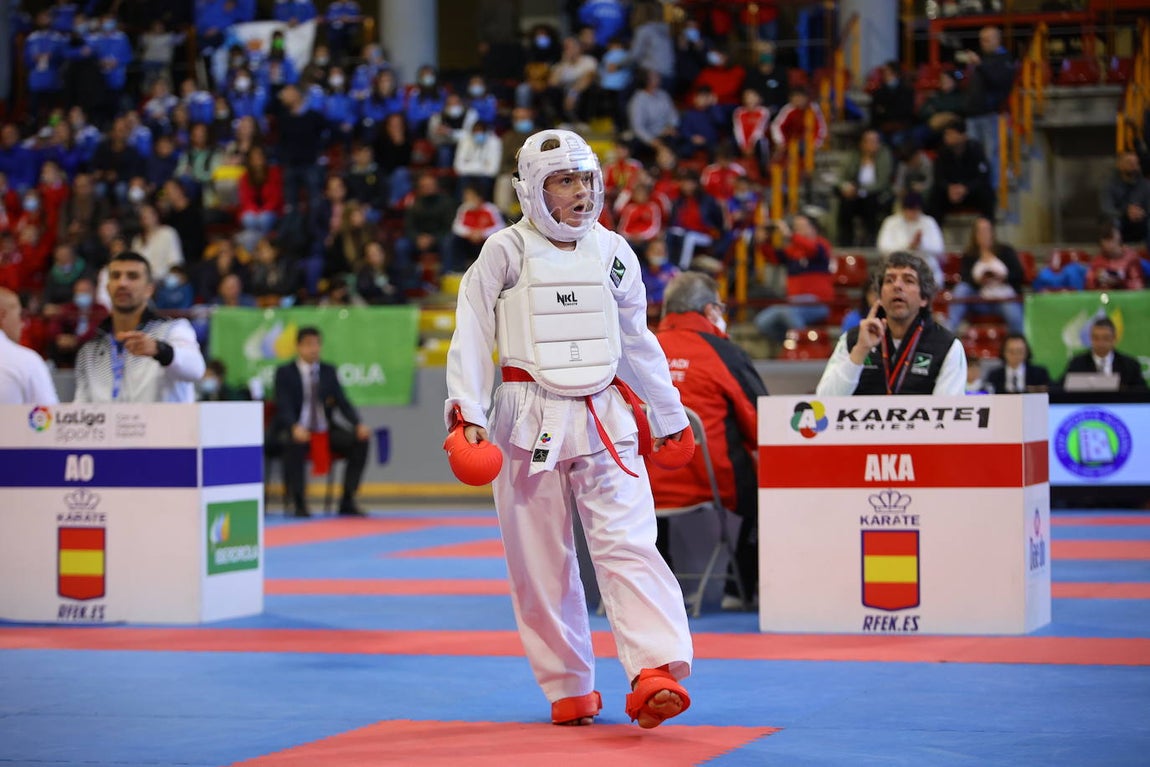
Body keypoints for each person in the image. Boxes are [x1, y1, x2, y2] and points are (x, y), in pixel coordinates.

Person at [443, 128, 694, 729]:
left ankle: (655, 670)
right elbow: (472, 333)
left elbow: (638, 340)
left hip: (604, 411)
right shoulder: (503, 252)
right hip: (524, 413)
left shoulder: (614, 252)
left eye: (586, 179)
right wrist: (466, 415)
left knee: (630, 542)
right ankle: (568, 685)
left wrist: (668, 413)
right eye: (564, 181)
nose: (580, 193)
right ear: (532, 190)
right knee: (538, 562)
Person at [651, 272, 767, 610]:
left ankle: (659, 582)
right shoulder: (723, 352)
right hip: (708, 483)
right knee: (763, 489)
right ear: (709, 309)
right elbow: (761, 425)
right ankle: (738, 585)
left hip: (638, 486)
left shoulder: (637, 348)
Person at [816, 251, 966, 396]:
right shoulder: (852, 340)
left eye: (908, 280)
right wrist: (861, 350)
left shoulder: (947, 346)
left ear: (924, 299)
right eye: (889, 280)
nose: (897, 286)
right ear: (879, 295)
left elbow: (948, 414)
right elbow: (825, 402)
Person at [73, 252, 206, 403]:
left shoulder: (173, 329)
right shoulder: (90, 350)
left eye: (132, 276)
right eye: (116, 276)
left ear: (149, 289)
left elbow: (196, 370)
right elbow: (81, 408)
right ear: (108, 287)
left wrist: (160, 350)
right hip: (109, 426)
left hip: (164, 426)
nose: (123, 283)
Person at [273, 326, 371, 517]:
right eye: (309, 344)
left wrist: (357, 424)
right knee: (293, 444)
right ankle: (299, 502)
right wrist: (294, 427)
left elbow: (343, 402)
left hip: (323, 428)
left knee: (360, 441)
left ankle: (347, 500)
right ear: (298, 347)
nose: (314, 349)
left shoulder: (328, 371)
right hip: (295, 428)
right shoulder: (284, 372)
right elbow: (282, 404)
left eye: (317, 344)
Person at [947, 216, 1025, 333]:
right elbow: (965, 278)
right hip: (980, 299)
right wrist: (978, 281)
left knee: (1012, 312)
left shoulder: (1005, 251)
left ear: (992, 232)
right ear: (975, 235)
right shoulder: (970, 255)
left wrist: (1003, 278)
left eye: (987, 230)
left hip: (1002, 298)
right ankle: (948, 330)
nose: (984, 234)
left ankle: (1019, 344)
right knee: (961, 289)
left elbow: (1019, 274)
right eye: (980, 231)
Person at [0, 287, 59, 404]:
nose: (22, 324)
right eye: (20, 315)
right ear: (2, 316)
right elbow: (49, 416)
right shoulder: (25, 361)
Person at [876, 191, 944, 287]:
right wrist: (908, 246)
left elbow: (938, 248)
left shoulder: (929, 222)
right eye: (909, 209)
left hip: (926, 267)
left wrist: (920, 245)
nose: (912, 213)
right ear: (903, 209)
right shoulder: (891, 222)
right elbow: (883, 247)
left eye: (915, 209)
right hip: (897, 267)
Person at [1062, 317, 1148, 392]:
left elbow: (1142, 393)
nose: (1100, 343)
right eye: (1096, 338)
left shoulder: (1130, 365)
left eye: (1106, 338)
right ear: (1090, 339)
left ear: (1114, 339)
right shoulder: (1077, 364)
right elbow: (1060, 388)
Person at [1099, 151, 1150, 248]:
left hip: (1140, 223)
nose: (1133, 165)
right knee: (1112, 221)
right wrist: (1125, 213)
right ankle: (1116, 255)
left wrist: (1140, 213)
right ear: (1119, 165)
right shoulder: (1108, 184)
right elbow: (1105, 209)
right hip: (1119, 222)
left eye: (1136, 163)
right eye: (1129, 162)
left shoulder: (1145, 185)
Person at [985, 333, 1050, 394]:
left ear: (1026, 352)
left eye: (1019, 351)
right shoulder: (994, 375)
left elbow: (1051, 392)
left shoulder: (1039, 374)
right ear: (1003, 352)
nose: (1015, 355)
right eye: (1011, 351)